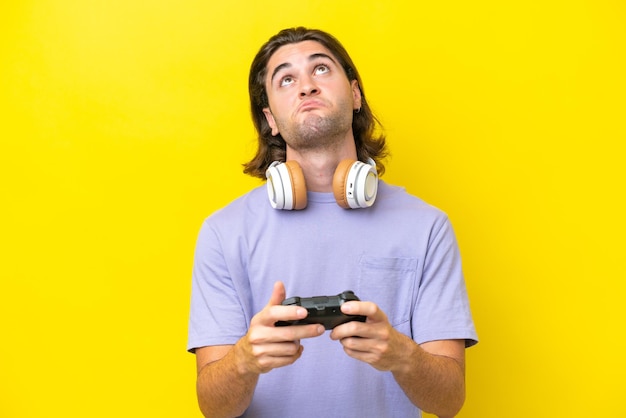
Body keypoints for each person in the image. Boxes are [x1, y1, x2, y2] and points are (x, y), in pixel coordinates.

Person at [187, 27, 478, 418]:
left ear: (355, 95)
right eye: (286, 79)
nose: (306, 86)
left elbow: (449, 401)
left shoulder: (427, 226)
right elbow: (212, 407)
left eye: (321, 69)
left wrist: (400, 354)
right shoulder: (224, 232)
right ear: (270, 118)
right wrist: (244, 360)